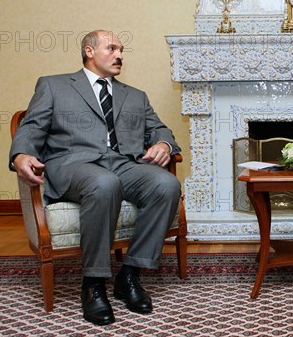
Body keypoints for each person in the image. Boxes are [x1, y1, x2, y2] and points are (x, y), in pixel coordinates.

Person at [9, 30, 182, 325]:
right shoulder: (54, 85)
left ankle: (129, 274)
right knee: (104, 183)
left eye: (122, 50)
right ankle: (93, 283)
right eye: (112, 48)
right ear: (89, 51)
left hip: (124, 163)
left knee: (166, 184)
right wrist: (21, 154)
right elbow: (31, 127)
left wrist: (164, 144)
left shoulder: (135, 95)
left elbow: (159, 129)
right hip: (74, 164)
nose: (120, 55)